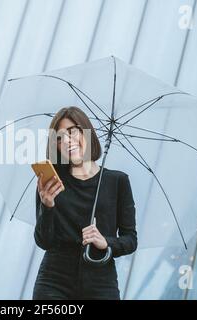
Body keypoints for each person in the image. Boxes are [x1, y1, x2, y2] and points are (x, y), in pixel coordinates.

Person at [33, 106, 137, 300]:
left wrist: (106, 242)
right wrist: (47, 207)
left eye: (72, 132)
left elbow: (130, 239)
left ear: (87, 134)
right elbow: (44, 241)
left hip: (101, 283)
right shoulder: (51, 182)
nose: (66, 141)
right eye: (59, 137)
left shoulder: (117, 182)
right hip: (54, 283)